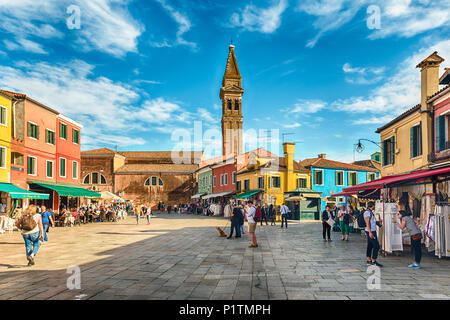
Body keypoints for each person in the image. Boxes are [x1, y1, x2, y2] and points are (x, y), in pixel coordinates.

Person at [364, 201, 383, 267]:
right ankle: (373, 260)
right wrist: (370, 232)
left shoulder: (369, 212)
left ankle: (369, 260)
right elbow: (367, 223)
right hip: (371, 231)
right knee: (376, 246)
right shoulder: (367, 212)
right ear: (372, 206)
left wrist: (378, 222)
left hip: (371, 230)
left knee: (370, 245)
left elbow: (371, 222)